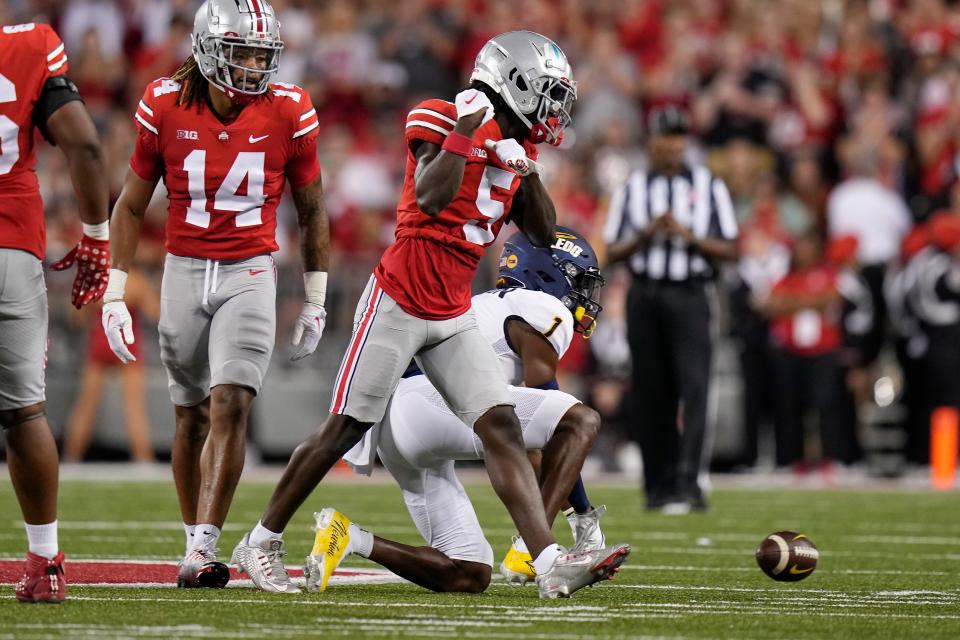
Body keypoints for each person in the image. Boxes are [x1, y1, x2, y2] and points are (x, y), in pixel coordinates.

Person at [232, 30, 627, 600]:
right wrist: (470, 134)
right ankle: (262, 539)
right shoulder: (442, 115)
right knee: (344, 428)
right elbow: (433, 193)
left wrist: (527, 169)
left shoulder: (520, 150)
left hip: (452, 310)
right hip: (398, 296)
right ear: (515, 84)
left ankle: (547, 563)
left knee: (500, 425)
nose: (552, 109)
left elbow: (544, 231)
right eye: (545, 93)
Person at [235, 228, 623, 596]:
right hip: (426, 402)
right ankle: (538, 551)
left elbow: (534, 432)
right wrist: (581, 513)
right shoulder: (539, 305)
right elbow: (551, 403)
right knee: (581, 419)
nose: (585, 295)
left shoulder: (484, 302)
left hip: (397, 428)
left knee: (470, 572)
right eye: (580, 282)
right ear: (552, 274)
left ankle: (350, 537)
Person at [103, 0, 330, 588]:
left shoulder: (288, 109)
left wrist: (316, 296)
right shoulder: (164, 104)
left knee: (231, 401)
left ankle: (206, 550)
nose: (255, 66)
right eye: (242, 53)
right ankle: (191, 538)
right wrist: (114, 290)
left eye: (262, 53)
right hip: (183, 268)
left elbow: (312, 210)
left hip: (250, 269)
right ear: (206, 51)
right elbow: (130, 202)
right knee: (189, 416)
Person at [0, 21, 111, 602]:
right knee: (24, 414)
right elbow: (86, 144)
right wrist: (96, 236)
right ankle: (45, 562)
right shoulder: (27, 44)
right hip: (13, 250)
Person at [604, 106, 739, 513]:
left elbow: (731, 247)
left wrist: (688, 236)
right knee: (650, 392)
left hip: (690, 294)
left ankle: (690, 482)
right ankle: (656, 484)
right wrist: (647, 233)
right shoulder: (632, 187)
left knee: (695, 389)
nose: (673, 145)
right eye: (666, 137)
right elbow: (611, 249)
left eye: (679, 137)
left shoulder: (709, 185)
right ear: (652, 142)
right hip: (645, 295)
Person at [63, 269, 161, 463]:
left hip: (101, 342)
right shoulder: (136, 280)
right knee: (134, 407)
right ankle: (144, 460)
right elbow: (155, 313)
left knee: (86, 406)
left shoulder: (97, 280)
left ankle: (71, 458)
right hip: (127, 345)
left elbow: (76, 316)